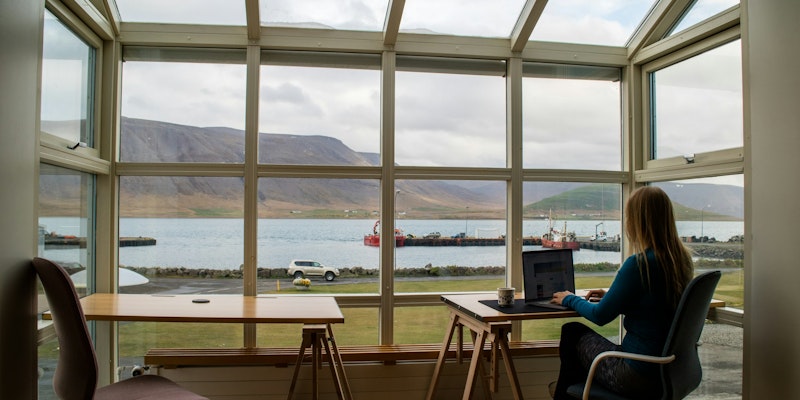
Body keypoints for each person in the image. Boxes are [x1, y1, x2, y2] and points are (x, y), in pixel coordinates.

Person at [548, 186, 694, 399]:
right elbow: (653, 303)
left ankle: (567, 395)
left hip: (635, 374)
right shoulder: (681, 261)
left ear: (637, 222)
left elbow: (600, 316)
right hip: (672, 372)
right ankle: (572, 393)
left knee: (572, 332)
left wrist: (568, 298)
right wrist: (612, 296)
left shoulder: (639, 264)